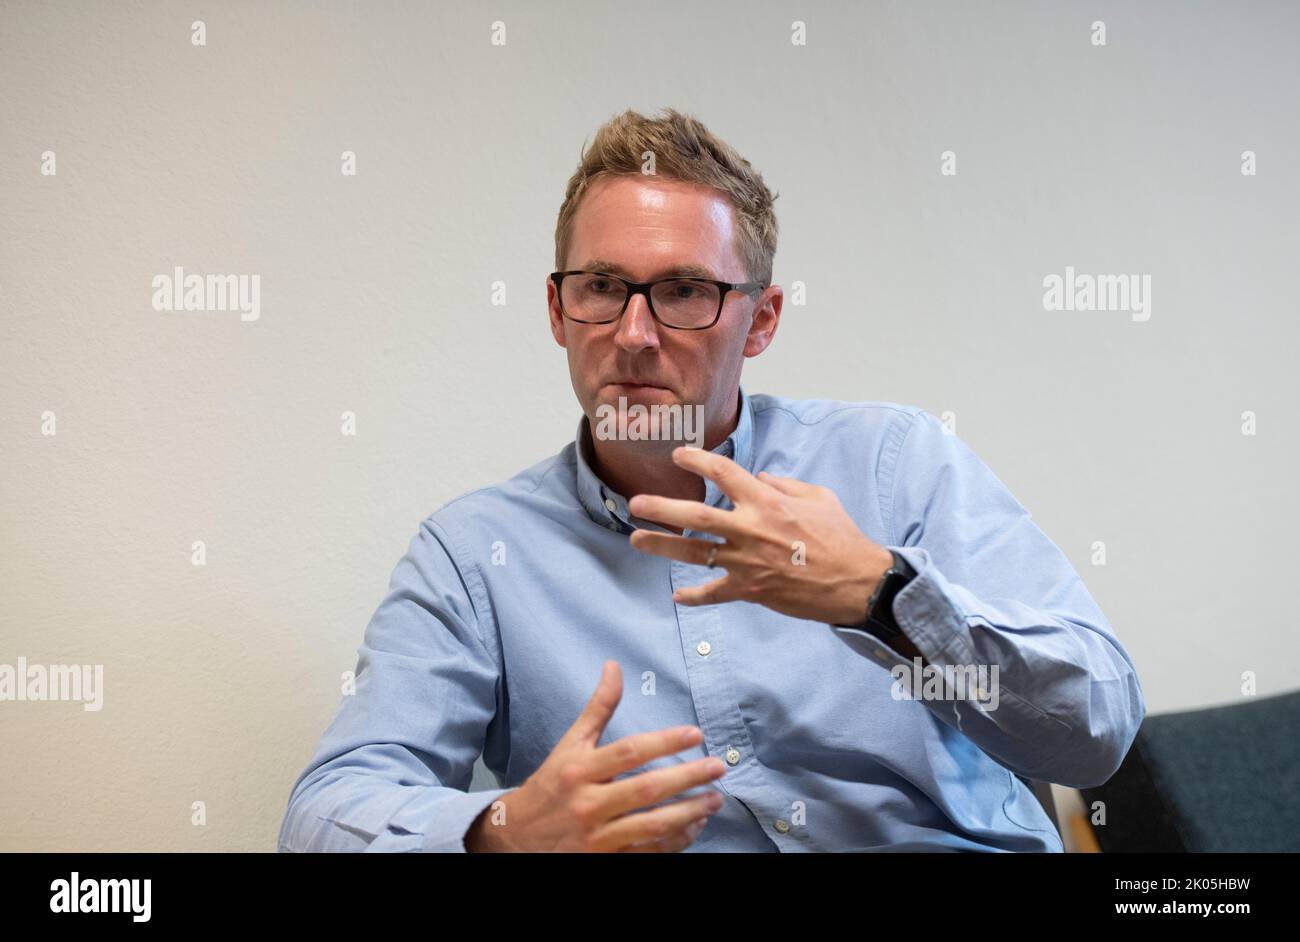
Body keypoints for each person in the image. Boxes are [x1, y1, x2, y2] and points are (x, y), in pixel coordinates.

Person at [276, 107, 1145, 853]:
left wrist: (883, 596)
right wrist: (503, 828)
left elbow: (1096, 730)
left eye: (686, 290)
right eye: (604, 286)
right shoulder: (474, 555)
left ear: (760, 321)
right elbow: (323, 813)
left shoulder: (894, 464)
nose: (635, 333)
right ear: (556, 310)